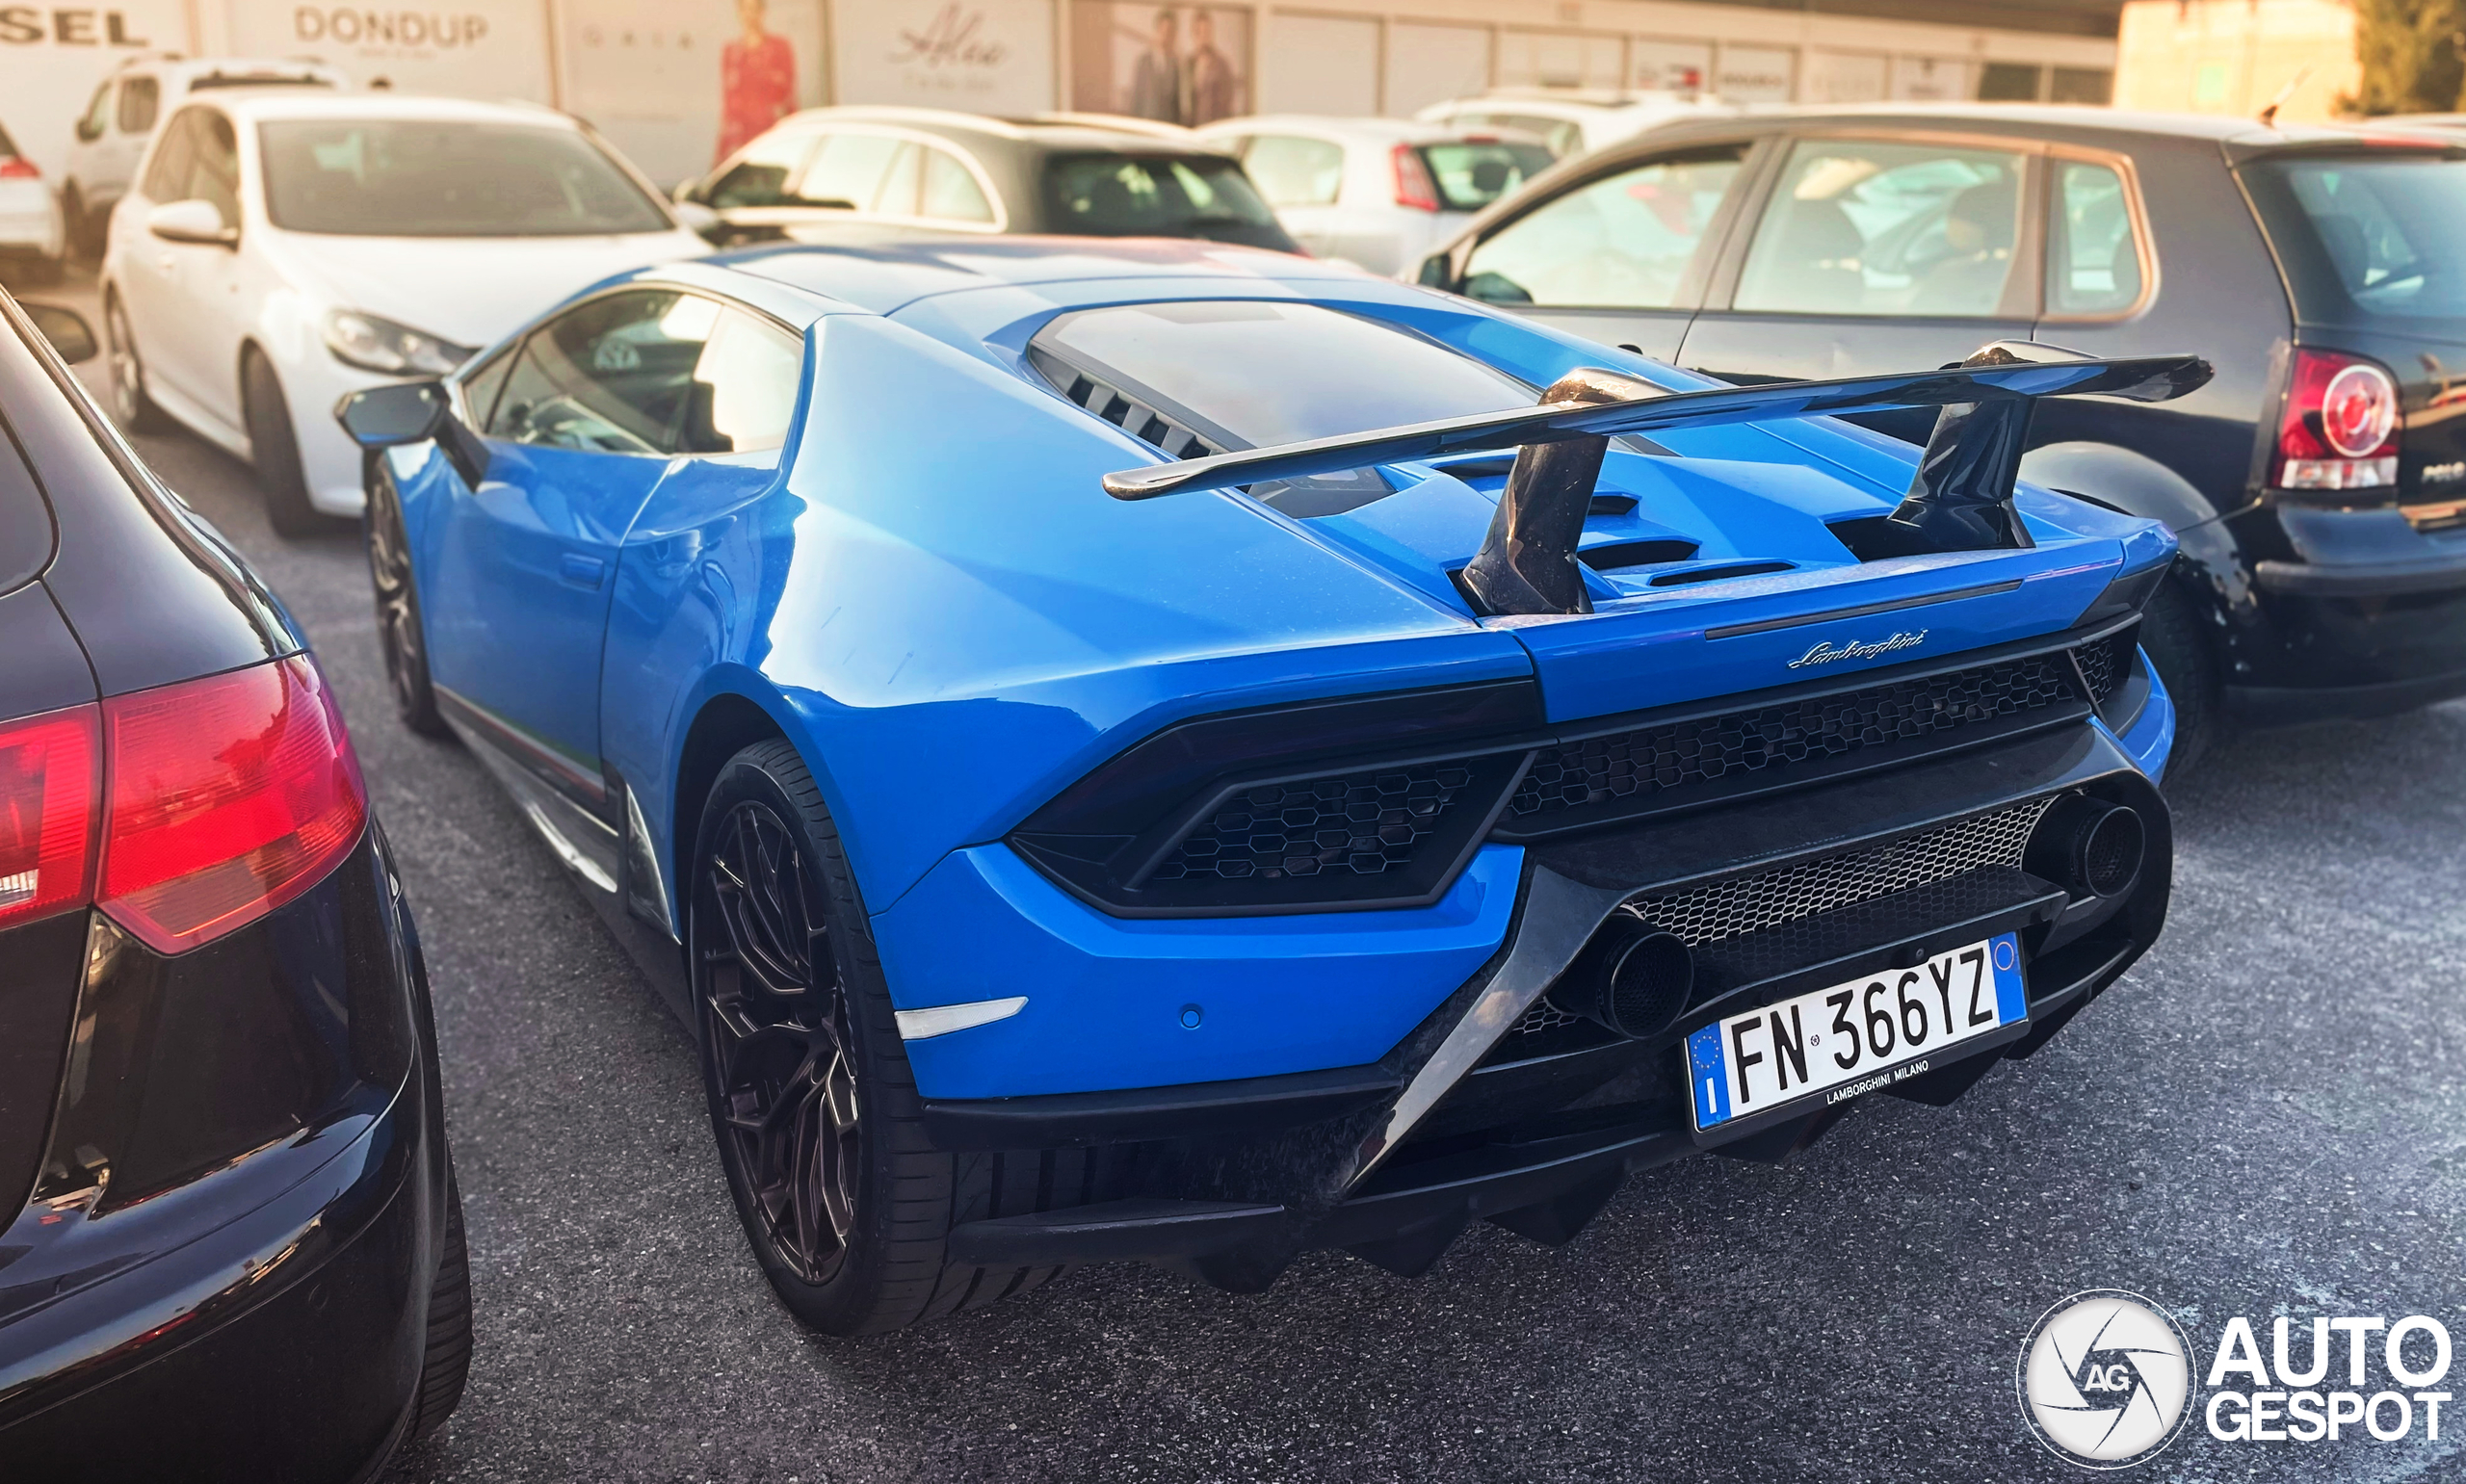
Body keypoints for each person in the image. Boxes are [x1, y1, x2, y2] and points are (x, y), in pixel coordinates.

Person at [717, 0, 796, 167]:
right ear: (739, 13)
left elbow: (789, 96)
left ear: (762, 11)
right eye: (745, 10)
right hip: (742, 139)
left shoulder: (779, 48)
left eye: (754, 9)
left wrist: (793, 136)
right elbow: (728, 104)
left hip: (773, 134)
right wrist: (720, 153)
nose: (750, 15)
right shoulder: (732, 52)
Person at [1127, 8, 1181, 124]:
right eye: (1163, 31)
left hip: (1168, 127)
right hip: (1147, 126)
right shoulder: (1143, 62)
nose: (1166, 36)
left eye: (1169, 32)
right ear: (1157, 30)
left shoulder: (1175, 65)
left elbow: (1176, 105)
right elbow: (1136, 99)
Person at [1183, 9, 1236, 125]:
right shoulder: (1188, 64)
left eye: (1206, 31)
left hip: (1214, 129)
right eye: (1199, 32)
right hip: (1191, 130)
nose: (1202, 37)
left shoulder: (1222, 65)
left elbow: (1227, 104)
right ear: (1193, 34)